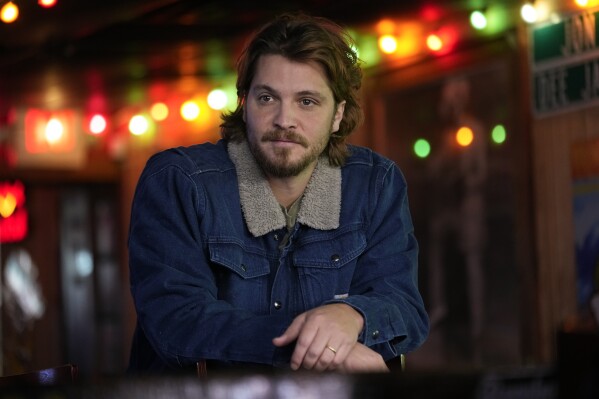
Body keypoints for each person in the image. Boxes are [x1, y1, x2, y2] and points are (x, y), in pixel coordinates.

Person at [127, 12, 429, 374]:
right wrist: (323, 349)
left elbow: (404, 307)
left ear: (338, 115)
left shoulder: (376, 184)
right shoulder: (179, 181)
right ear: (244, 103)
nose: (284, 119)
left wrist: (351, 316)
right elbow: (177, 322)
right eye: (268, 98)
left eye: (307, 102)